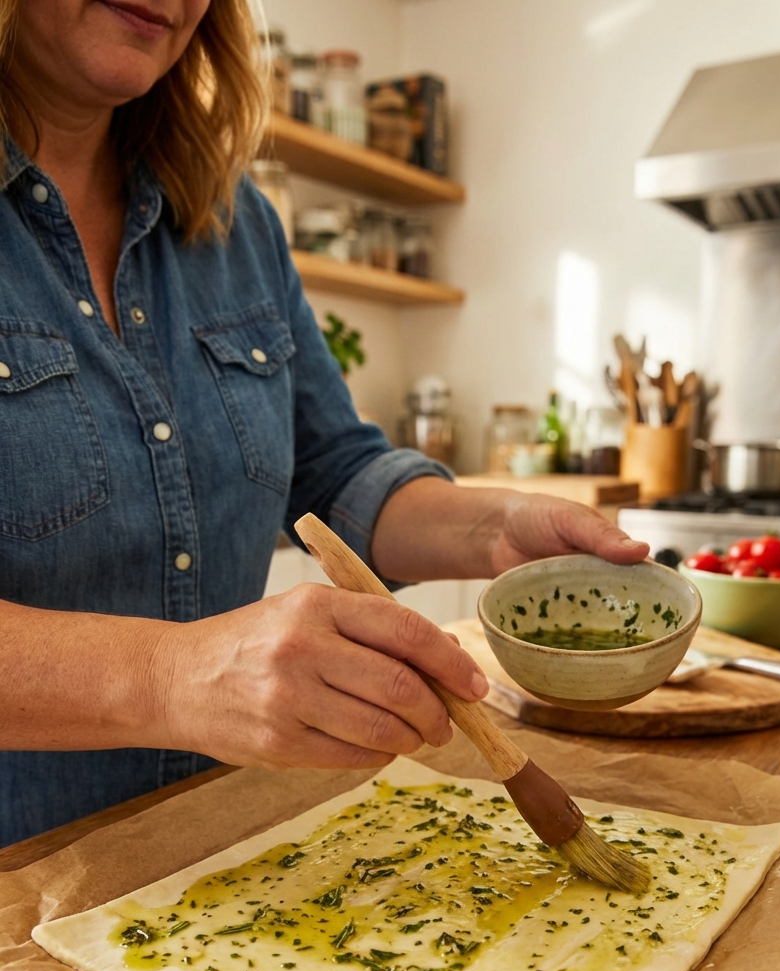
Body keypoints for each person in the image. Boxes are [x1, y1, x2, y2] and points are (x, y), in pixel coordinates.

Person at [0, 0, 648, 849]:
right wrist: (175, 677)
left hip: (216, 863)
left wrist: (497, 528)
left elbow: (336, 474)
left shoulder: (239, 223)